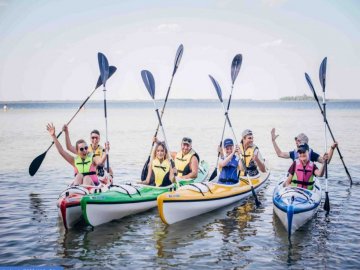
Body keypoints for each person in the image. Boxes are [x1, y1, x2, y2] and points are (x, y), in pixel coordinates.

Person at [271, 128, 337, 163]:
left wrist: (332, 149)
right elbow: (280, 154)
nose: (296, 142)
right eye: (296, 140)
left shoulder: (312, 154)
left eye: (298, 140)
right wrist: (273, 141)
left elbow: (326, 161)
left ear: (303, 143)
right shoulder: (294, 153)